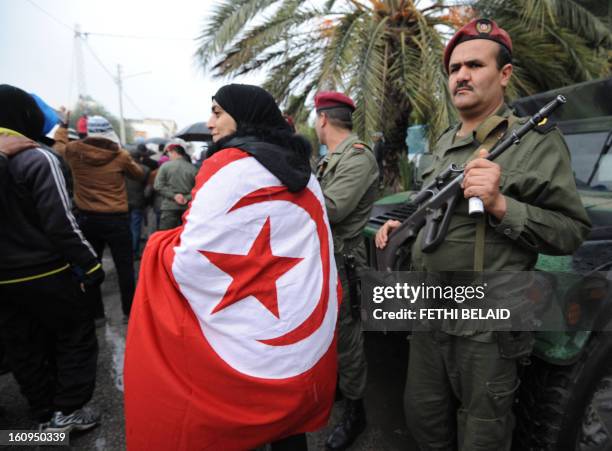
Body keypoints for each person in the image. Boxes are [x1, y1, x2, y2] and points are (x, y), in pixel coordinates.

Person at [375, 18, 591, 450]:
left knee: (483, 430)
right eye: (454, 69)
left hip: (487, 321)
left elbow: (570, 232)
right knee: (425, 417)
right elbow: (431, 205)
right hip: (429, 309)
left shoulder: (537, 143)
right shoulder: (445, 142)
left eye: (475, 65)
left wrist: (501, 205)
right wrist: (405, 224)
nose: (461, 76)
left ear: (504, 74)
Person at [124, 84, 338, 450]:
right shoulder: (305, 172)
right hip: (291, 315)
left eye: (219, 112)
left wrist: (158, 244)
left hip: (241, 320)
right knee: (289, 426)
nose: (210, 122)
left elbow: (191, 259)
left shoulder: (225, 165)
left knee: (242, 414)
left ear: (244, 116)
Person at [0, 85, 103, 432]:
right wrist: (91, 263)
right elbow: (61, 221)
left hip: (4, 280)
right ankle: (68, 413)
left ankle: (43, 415)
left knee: (23, 346)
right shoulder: (36, 156)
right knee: (74, 336)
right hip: (46, 271)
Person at [314, 91, 379, 450]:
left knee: (348, 341)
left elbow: (333, 208)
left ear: (323, 119)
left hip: (345, 264)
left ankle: (357, 413)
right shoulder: (332, 158)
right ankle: (341, 390)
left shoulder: (357, 157)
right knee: (333, 337)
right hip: (329, 260)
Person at [63, 115, 144, 323]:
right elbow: (138, 175)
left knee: (91, 266)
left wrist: (63, 125)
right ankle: (129, 313)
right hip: (116, 220)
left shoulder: (73, 151)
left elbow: (58, 145)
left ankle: (97, 315)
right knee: (125, 268)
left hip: (88, 219)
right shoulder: (120, 155)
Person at [153, 143, 197, 230]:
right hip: (187, 208)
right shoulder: (193, 169)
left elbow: (158, 185)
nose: (168, 155)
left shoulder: (165, 166)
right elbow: (198, 189)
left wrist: (174, 196)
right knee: (185, 235)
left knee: (166, 236)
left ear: (174, 152)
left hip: (169, 207)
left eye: (169, 153)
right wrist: (186, 197)